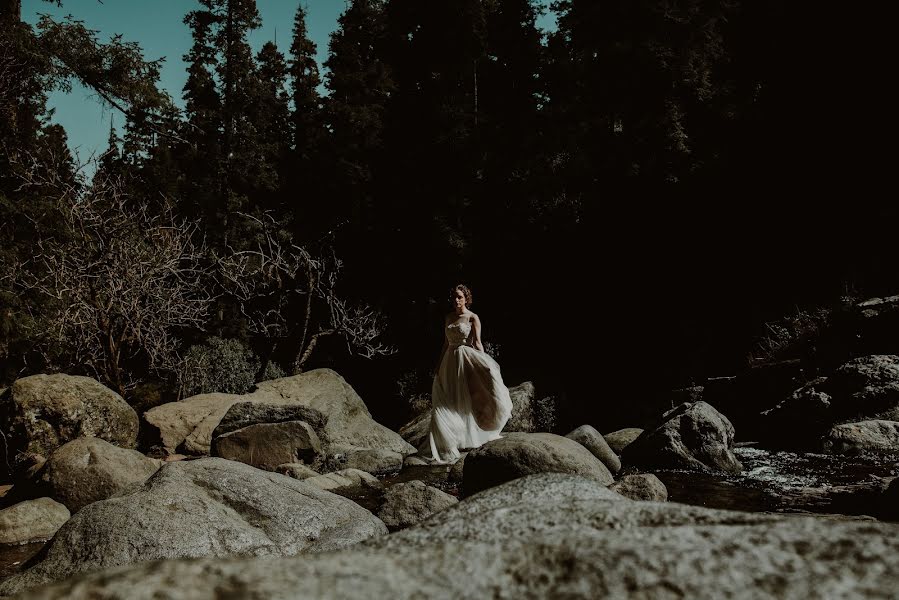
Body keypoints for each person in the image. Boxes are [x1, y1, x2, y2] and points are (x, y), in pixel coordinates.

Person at [428, 284, 513, 463]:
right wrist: (437, 365)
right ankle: (451, 440)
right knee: (449, 398)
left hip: (464, 359)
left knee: (465, 398)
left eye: (460, 297)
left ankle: (468, 437)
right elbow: (445, 343)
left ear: (466, 298)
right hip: (448, 360)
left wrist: (484, 363)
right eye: (454, 297)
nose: (456, 300)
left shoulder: (472, 318)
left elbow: (477, 343)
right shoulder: (448, 317)